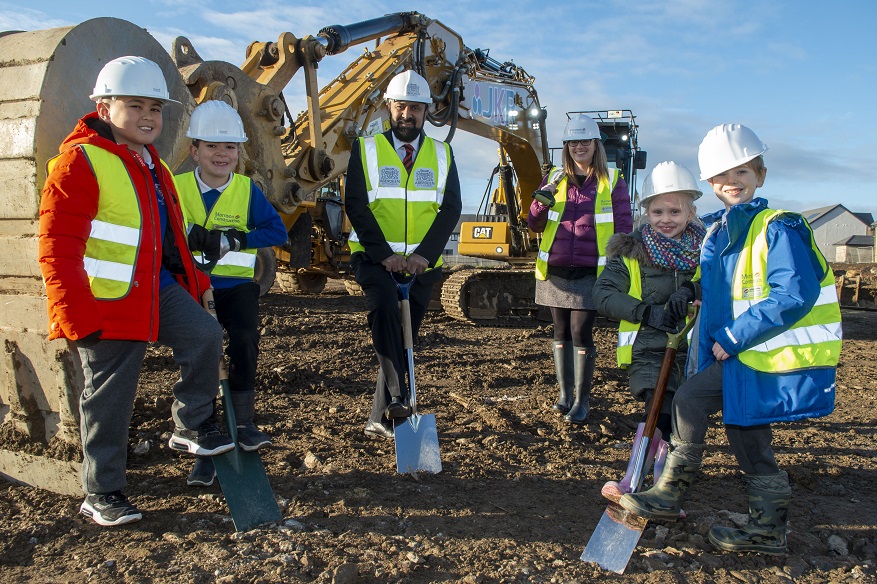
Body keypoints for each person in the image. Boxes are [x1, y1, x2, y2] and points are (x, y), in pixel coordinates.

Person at [619, 124, 842, 555]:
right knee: (736, 427)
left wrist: (736, 335)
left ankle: (695, 503)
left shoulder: (777, 228)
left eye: (741, 171)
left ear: (760, 174)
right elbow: (722, 283)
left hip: (761, 353)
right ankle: (752, 523)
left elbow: (793, 293)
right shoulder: (721, 232)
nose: (731, 181)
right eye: (721, 176)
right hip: (743, 355)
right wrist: (692, 290)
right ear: (710, 184)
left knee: (709, 412)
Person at [38, 56, 235, 526]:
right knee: (110, 399)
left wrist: (197, 283)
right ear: (104, 109)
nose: (149, 117)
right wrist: (71, 312)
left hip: (155, 290)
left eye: (156, 108)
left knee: (204, 336)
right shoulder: (79, 161)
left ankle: (190, 424)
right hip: (103, 302)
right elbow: (57, 245)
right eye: (135, 106)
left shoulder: (155, 167)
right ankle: (101, 492)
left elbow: (171, 243)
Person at [174, 100, 288, 486]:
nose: (221, 155)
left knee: (243, 341)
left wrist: (239, 238)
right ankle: (205, 433)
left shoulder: (245, 190)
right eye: (211, 147)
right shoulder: (175, 188)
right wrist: (189, 235)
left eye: (229, 148)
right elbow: (161, 229)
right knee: (202, 353)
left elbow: (277, 232)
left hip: (236, 286)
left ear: (239, 153)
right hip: (193, 286)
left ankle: (243, 423)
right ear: (194, 151)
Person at [345, 70, 462, 440]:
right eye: (400, 106)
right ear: (389, 108)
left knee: (403, 334)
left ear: (426, 111)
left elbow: (451, 207)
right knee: (382, 312)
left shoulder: (442, 154)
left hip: (421, 268)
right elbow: (356, 204)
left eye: (415, 107)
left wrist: (425, 256)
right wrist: (385, 255)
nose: (407, 114)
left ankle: (381, 417)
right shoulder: (365, 149)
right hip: (374, 260)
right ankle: (400, 397)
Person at [593, 161, 704, 502]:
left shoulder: (708, 251)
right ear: (646, 212)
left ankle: (662, 484)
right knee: (664, 408)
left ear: (691, 212)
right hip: (649, 349)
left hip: (695, 352)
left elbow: (719, 284)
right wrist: (647, 312)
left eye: (675, 210)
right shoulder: (630, 252)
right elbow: (602, 295)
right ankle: (640, 479)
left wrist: (694, 291)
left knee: (680, 421)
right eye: (657, 211)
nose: (665, 219)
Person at [529, 114, 633, 424]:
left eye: (585, 141)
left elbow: (624, 225)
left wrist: (620, 266)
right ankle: (564, 395)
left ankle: (582, 400)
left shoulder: (612, 180)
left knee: (580, 332)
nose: (579, 147)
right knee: (560, 332)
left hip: (592, 271)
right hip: (556, 269)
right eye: (573, 142)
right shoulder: (555, 179)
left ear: (596, 145)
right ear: (566, 147)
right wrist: (540, 202)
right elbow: (534, 223)